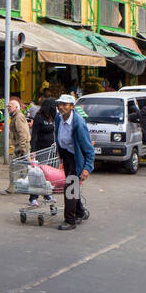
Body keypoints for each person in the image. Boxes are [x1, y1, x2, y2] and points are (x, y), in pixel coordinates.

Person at [53, 94, 95, 230]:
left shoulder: (78, 123)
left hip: (77, 157)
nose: (62, 107)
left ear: (72, 107)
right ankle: (80, 212)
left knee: (70, 187)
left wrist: (87, 168)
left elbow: (89, 149)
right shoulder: (58, 119)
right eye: (61, 104)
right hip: (66, 155)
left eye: (66, 105)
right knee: (73, 185)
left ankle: (70, 220)